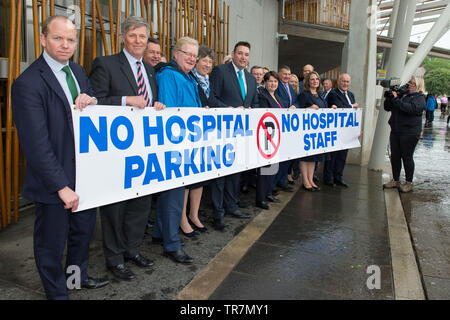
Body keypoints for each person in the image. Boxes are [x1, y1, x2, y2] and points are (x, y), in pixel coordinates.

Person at [11, 15, 109, 300]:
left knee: (81, 236)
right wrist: (61, 186)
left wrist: (91, 101)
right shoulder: (28, 83)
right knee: (50, 244)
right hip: (54, 182)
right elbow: (36, 144)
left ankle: (76, 281)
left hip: (84, 175)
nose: (65, 45)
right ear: (42, 39)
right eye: (57, 38)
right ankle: (56, 294)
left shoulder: (78, 72)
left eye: (70, 39)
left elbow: (90, 110)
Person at [89, 16, 165, 280]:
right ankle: (114, 258)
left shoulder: (151, 70)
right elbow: (94, 102)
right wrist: (125, 101)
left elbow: (148, 101)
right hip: (115, 151)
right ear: (122, 37)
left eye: (142, 36)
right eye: (133, 35)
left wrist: (158, 107)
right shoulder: (106, 64)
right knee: (114, 208)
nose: (138, 41)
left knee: (141, 203)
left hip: (142, 149)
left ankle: (132, 250)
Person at [208, 41, 259, 230]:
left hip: (241, 134)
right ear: (233, 53)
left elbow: (255, 102)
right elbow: (212, 98)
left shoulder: (251, 79)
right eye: (240, 53)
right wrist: (229, 110)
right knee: (220, 175)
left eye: (246, 54)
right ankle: (217, 213)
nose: (243, 57)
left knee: (236, 172)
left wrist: (251, 110)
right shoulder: (220, 71)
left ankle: (231, 205)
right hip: (222, 132)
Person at [179, 45, 215, 237]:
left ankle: (194, 215)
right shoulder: (190, 78)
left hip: (203, 135)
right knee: (186, 178)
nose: (207, 64)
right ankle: (182, 218)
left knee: (199, 177)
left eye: (210, 61)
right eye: (203, 60)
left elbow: (213, 101)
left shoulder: (210, 81)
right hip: (186, 135)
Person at [383, 77, 426, 193]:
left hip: (410, 132)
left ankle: (409, 182)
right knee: (395, 156)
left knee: (407, 157)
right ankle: (395, 180)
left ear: (418, 86)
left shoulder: (420, 98)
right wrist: (389, 98)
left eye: (413, 83)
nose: (410, 85)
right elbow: (387, 108)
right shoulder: (403, 95)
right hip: (396, 130)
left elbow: (410, 109)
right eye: (409, 83)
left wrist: (396, 99)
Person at [298, 72, 337, 191]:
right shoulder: (304, 94)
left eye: (316, 79)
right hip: (307, 131)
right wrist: (308, 109)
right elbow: (298, 111)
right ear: (308, 82)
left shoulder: (320, 95)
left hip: (317, 132)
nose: (315, 81)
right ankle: (305, 180)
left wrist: (331, 109)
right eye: (312, 79)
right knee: (305, 157)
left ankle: (310, 179)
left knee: (314, 157)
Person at [255, 71, 285, 209]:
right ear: (265, 82)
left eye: (275, 81)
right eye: (270, 81)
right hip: (266, 138)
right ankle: (260, 198)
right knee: (265, 170)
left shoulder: (278, 97)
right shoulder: (262, 96)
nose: (273, 84)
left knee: (273, 168)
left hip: (276, 137)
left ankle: (268, 193)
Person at [323, 73, 358, 188]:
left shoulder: (351, 95)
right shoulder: (333, 93)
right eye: (343, 81)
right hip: (335, 130)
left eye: (347, 82)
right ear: (338, 82)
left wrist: (356, 130)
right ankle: (328, 178)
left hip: (347, 131)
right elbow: (340, 107)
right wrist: (352, 106)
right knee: (332, 155)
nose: (345, 84)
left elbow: (353, 114)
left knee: (342, 156)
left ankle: (338, 177)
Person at [275, 65, 299, 186]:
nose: (287, 76)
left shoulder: (290, 87)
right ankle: (275, 183)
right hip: (279, 126)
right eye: (285, 74)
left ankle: (282, 181)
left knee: (287, 157)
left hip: (289, 127)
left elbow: (296, 100)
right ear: (279, 74)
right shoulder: (276, 85)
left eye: (289, 74)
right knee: (278, 158)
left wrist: (295, 106)